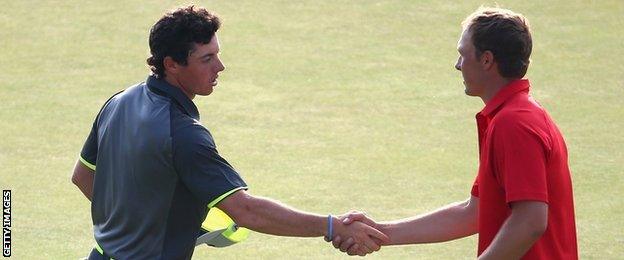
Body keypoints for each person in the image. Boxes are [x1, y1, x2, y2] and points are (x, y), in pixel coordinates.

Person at [71, 5, 388, 259]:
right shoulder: (184, 135)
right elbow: (245, 210)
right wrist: (331, 226)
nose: (219, 67)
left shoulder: (118, 102)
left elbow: (83, 178)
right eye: (207, 58)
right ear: (171, 64)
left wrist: (142, 225)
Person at [333, 7, 578, 259]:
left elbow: (531, 221)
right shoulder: (513, 116)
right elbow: (473, 213)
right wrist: (381, 232)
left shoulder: (514, 123)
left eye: (463, 54)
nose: (458, 65)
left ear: (486, 60)